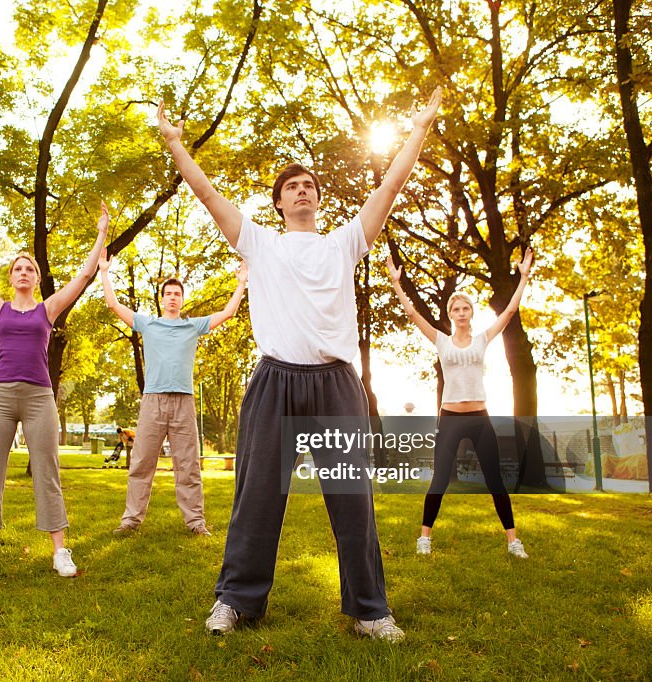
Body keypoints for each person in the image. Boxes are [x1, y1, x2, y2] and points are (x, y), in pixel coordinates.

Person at [157, 87, 442, 642]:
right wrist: (176, 145)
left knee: (353, 503)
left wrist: (419, 131)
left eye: (309, 185)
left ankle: (368, 609)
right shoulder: (259, 243)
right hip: (275, 381)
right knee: (256, 498)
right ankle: (237, 601)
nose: (303, 191)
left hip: (335, 383)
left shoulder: (344, 242)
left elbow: (389, 187)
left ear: (318, 199)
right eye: (292, 187)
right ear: (279, 203)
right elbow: (208, 194)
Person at [0, 194, 107, 578]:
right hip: (0, 395)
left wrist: (101, 234)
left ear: (37, 277)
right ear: (11, 278)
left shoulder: (49, 308)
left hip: (39, 397)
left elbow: (83, 276)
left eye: (30, 268)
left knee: (47, 469)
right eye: (18, 268)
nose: (24, 272)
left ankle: (61, 551)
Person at [386, 249, 533, 559]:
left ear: (471, 313)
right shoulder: (441, 340)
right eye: (457, 308)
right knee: (440, 479)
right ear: (451, 314)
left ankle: (513, 542)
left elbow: (508, 312)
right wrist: (397, 284)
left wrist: (523, 278)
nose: (462, 311)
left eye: (466, 307)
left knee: (495, 481)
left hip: (480, 417)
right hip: (451, 418)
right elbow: (413, 315)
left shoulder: (482, 339)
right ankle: (424, 538)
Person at [100, 250, 247, 536]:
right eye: (167, 293)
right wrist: (104, 271)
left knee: (188, 466)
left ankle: (195, 523)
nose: (172, 297)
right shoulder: (147, 324)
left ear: (182, 299)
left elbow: (228, 313)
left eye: (177, 293)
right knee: (141, 464)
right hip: (153, 401)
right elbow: (113, 304)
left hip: (183, 402)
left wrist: (242, 281)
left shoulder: (193, 326)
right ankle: (130, 521)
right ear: (162, 298)